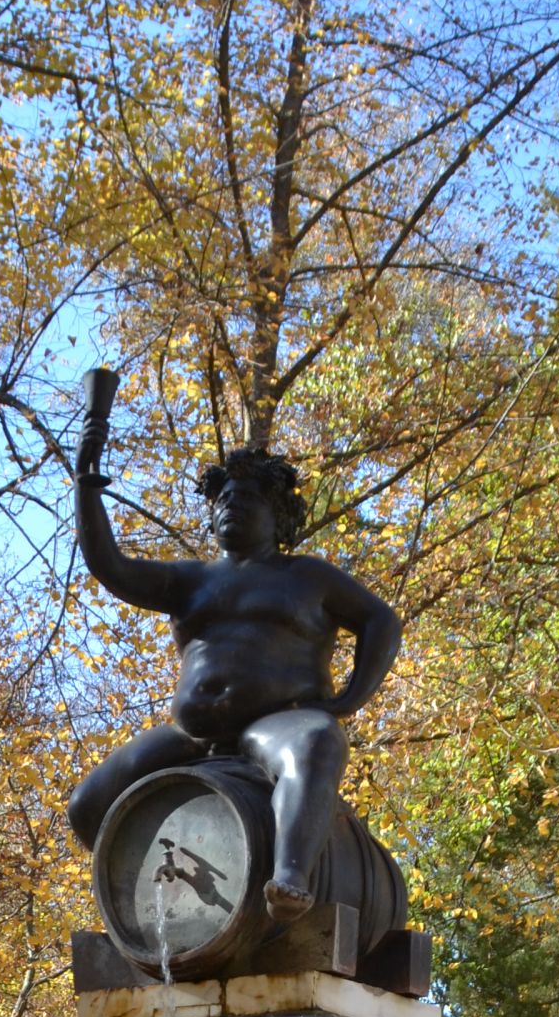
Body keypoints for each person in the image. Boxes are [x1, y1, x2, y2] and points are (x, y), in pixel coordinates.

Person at [67, 380, 402, 922]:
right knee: (86, 807)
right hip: (191, 734)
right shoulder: (189, 580)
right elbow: (110, 565)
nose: (230, 507)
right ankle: (152, 898)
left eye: (245, 499)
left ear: (277, 515)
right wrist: (86, 479)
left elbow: (380, 619)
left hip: (273, 723)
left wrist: (348, 699)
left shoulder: (305, 576)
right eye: (222, 500)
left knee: (317, 742)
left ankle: (290, 875)